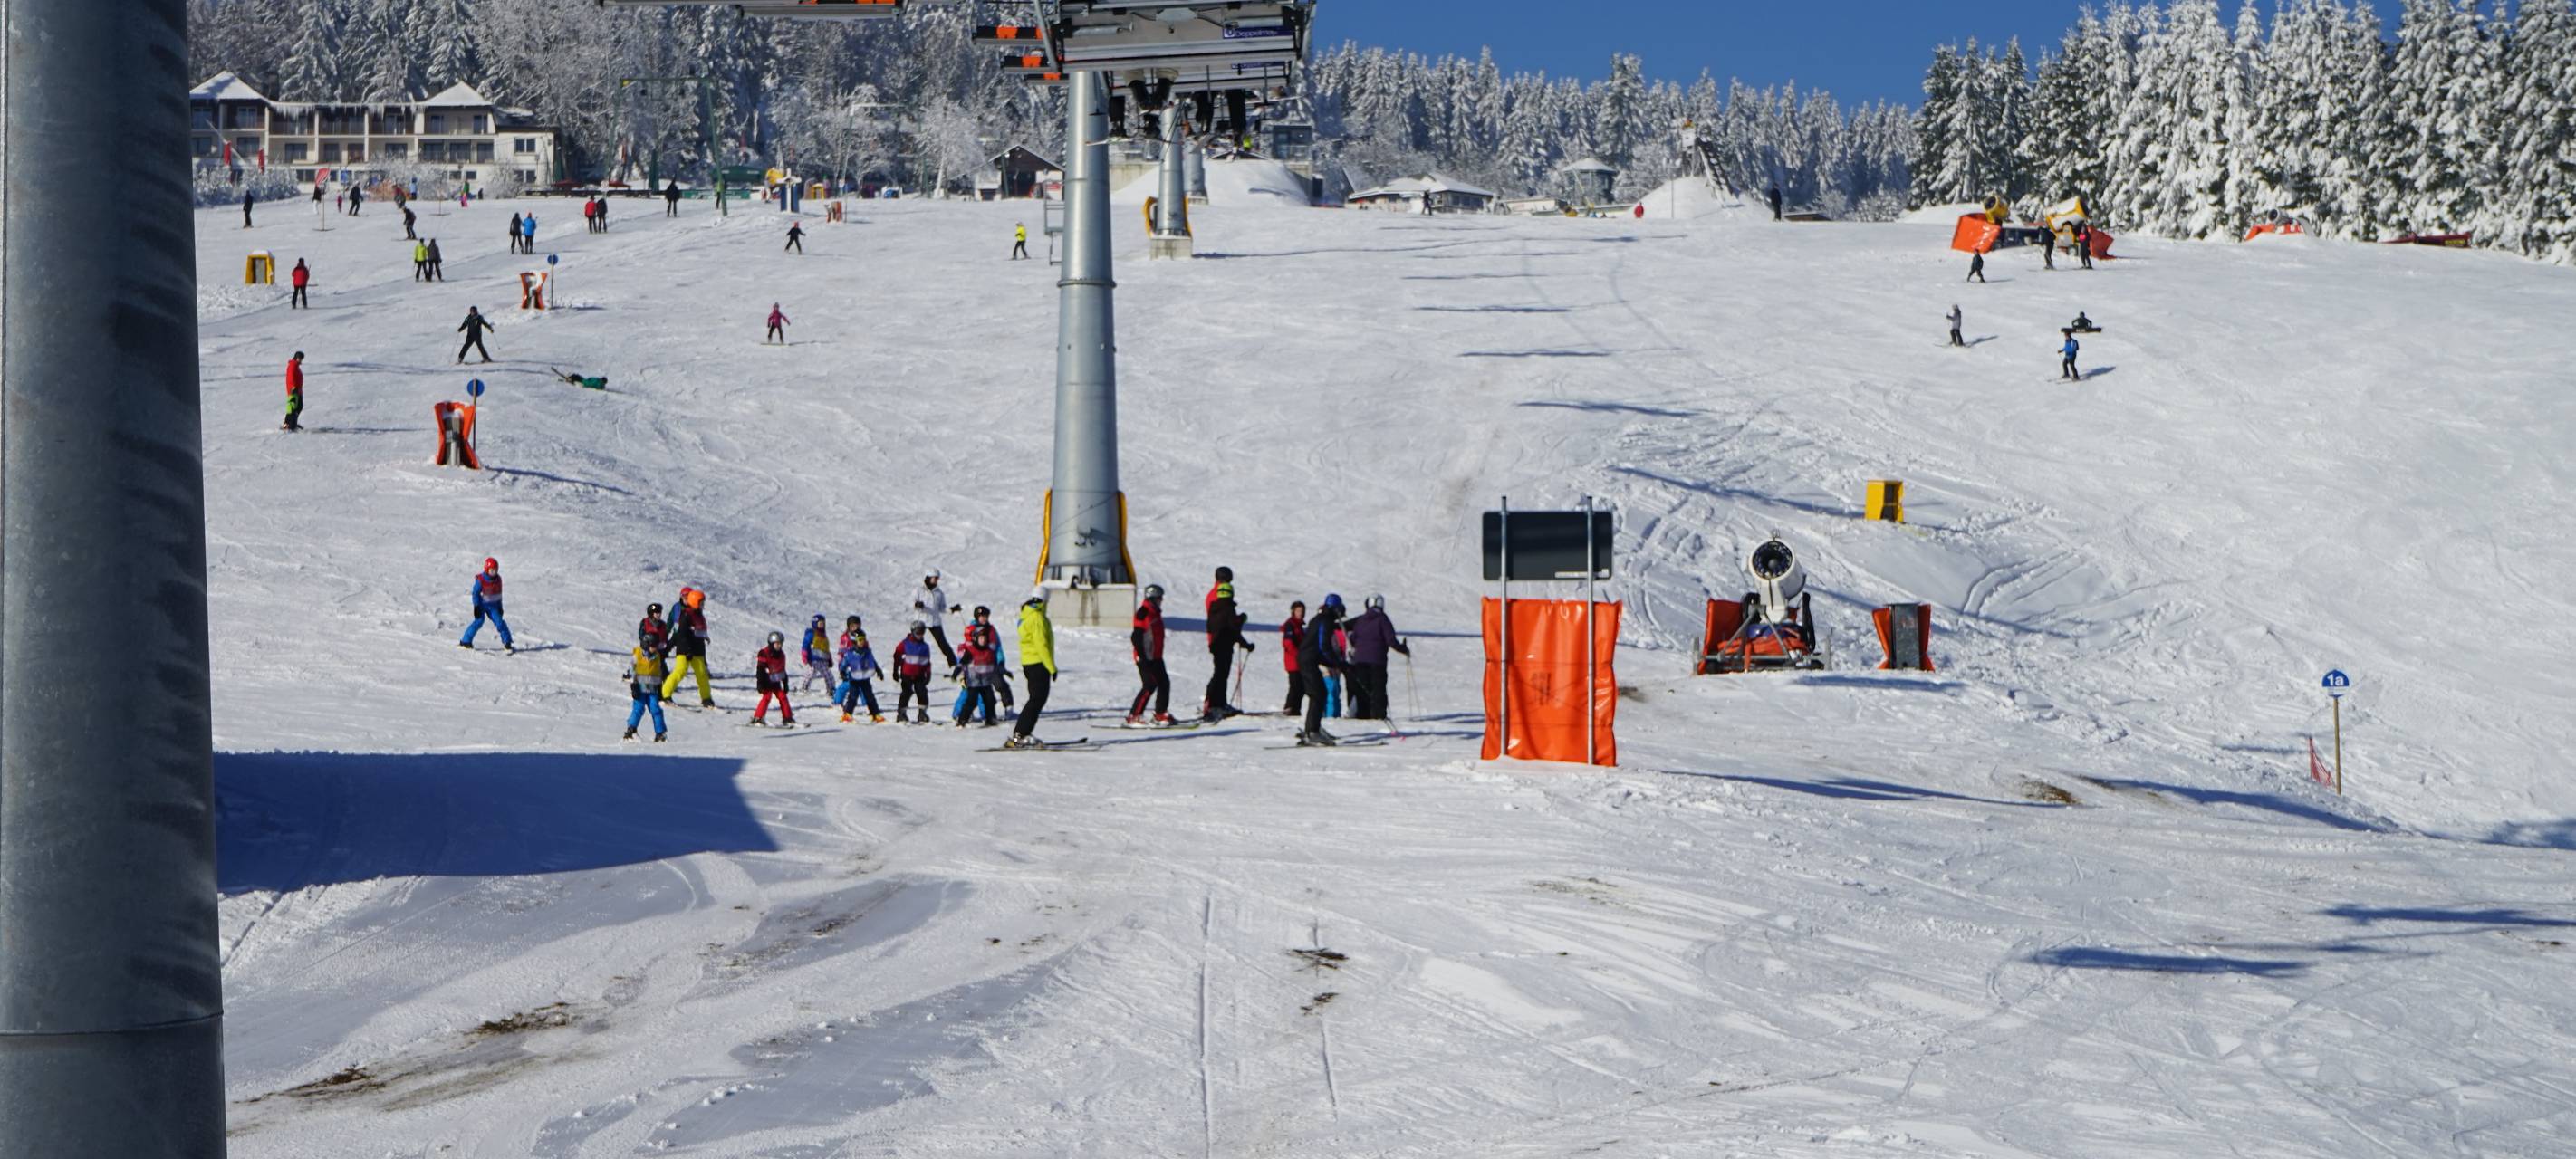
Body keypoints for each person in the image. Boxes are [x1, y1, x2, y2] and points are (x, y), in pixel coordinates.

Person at [1343, 595, 1411, 720]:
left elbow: (1353, 638)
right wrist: (1403, 649)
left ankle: (1363, 714)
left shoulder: (1361, 620)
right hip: (1377, 661)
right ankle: (1378, 714)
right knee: (1378, 688)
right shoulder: (1382, 619)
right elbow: (1391, 640)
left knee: (1363, 688)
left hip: (1360, 661)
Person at [1296, 594, 1350, 745]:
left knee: (1319, 692)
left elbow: (1317, 648)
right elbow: (1323, 647)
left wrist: (1334, 664)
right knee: (1318, 693)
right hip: (1308, 660)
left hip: (1308, 659)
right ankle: (1312, 731)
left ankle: (1313, 729)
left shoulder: (1319, 619)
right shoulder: (1325, 621)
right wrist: (1338, 663)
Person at [1202, 567, 1253, 721]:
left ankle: (1219, 703)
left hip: (1218, 638)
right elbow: (1226, 620)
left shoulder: (1216, 593)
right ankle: (1213, 703)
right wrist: (1237, 621)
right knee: (1220, 673)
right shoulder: (1218, 595)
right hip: (1220, 638)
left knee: (1221, 673)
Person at [1008, 589, 1056, 748]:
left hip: (1029, 662)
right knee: (1037, 699)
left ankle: (1022, 732)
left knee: (1035, 699)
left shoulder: (1028, 614)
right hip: (1038, 663)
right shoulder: (1037, 617)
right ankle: (1021, 733)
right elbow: (1041, 644)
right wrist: (1051, 667)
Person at [1126, 583, 1174, 725]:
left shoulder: (1155, 613)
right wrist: (1142, 656)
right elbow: (1136, 637)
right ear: (1152, 599)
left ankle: (1160, 713)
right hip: (1145, 657)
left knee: (1164, 683)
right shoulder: (1143, 613)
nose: (1161, 601)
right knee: (1150, 685)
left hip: (1156, 656)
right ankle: (1134, 716)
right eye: (1159, 598)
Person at [662, 588, 716, 707]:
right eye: (701, 603)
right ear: (695, 602)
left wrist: (705, 637)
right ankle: (665, 694)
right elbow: (682, 634)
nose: (703, 605)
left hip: (698, 650)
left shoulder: (699, 615)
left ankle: (706, 698)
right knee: (680, 671)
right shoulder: (686, 615)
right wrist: (687, 650)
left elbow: (699, 630)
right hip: (685, 650)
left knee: (702, 674)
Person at [960, 602, 1015, 713]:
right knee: (971, 692)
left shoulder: (991, 631)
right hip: (975, 667)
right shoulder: (971, 630)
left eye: (986, 616)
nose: (984, 619)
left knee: (1001, 685)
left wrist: (1000, 661)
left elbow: (997, 647)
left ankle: (1008, 707)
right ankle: (963, 713)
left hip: (991, 664)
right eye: (982, 617)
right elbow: (966, 649)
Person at [952, 617, 1003, 727]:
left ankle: (990, 718)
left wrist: (1000, 671)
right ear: (975, 639)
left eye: (985, 638)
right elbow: (962, 663)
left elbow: (993, 665)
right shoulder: (970, 651)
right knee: (971, 701)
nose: (983, 641)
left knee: (990, 700)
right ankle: (962, 720)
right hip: (973, 682)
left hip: (985, 682)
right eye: (981, 638)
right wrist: (957, 673)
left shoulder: (989, 651)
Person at [458, 557, 514, 652]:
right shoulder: (481, 580)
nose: (494, 573)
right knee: (479, 621)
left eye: (496, 570)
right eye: (492, 570)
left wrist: (500, 607)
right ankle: (465, 642)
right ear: (487, 570)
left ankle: (507, 642)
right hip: (482, 604)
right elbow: (475, 593)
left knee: (500, 622)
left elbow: (498, 594)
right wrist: (476, 606)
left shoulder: (498, 579)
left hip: (493, 606)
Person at [837, 624, 884, 723]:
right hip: (854, 679)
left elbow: (873, 662)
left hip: (865, 678)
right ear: (854, 641)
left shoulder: (867, 653)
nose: (862, 642)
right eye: (860, 640)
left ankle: (875, 714)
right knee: (853, 697)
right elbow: (844, 663)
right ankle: (847, 714)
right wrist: (842, 672)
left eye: (864, 639)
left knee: (869, 696)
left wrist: (878, 670)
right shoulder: (850, 654)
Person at [624, 642, 669, 742]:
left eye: (656, 646)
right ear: (647, 645)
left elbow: (658, 673)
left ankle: (660, 733)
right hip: (640, 689)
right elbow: (631, 670)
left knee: (656, 709)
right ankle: (631, 730)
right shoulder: (638, 655)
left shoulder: (657, 656)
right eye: (653, 646)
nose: (655, 648)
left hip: (652, 690)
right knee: (638, 708)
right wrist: (634, 684)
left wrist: (660, 688)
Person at [892, 621, 937, 723]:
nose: (920, 635)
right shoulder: (905, 644)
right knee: (906, 693)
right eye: (918, 633)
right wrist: (895, 670)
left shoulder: (925, 647)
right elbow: (897, 655)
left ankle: (922, 713)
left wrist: (928, 673)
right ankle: (901, 713)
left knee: (922, 693)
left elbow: (927, 662)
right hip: (907, 674)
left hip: (919, 674)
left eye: (922, 633)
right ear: (913, 632)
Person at [914, 570, 960, 666]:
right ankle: (911, 663)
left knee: (943, 643)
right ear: (928, 578)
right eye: (934, 578)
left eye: (937, 579)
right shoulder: (919, 590)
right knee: (915, 643)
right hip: (920, 621)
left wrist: (952, 609)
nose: (936, 581)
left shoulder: (939, 593)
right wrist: (917, 604)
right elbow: (911, 602)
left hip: (934, 622)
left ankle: (953, 664)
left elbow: (942, 608)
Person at [751, 631, 797, 727]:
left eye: (781, 643)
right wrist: (760, 683)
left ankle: (787, 717)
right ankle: (758, 717)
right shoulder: (764, 653)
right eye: (777, 644)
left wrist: (785, 683)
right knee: (767, 697)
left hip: (775, 682)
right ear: (772, 643)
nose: (779, 646)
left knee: (783, 697)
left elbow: (782, 670)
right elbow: (760, 670)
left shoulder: (781, 655)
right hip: (766, 682)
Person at [1279, 601, 1308, 716]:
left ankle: (1295, 710)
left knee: (1300, 687)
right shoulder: (1290, 625)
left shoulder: (1298, 626)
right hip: (1293, 662)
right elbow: (1288, 643)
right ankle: (1290, 708)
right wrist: (1299, 655)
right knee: (1296, 687)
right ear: (1293, 612)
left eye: (1302, 611)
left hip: (1298, 662)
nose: (1301, 613)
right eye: (1298, 611)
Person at [800, 614, 836, 691]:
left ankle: (831, 688)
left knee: (828, 674)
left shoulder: (824, 636)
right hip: (814, 660)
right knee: (811, 674)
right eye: (820, 624)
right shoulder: (811, 634)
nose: (822, 625)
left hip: (823, 660)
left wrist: (829, 659)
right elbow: (805, 644)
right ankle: (804, 687)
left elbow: (826, 649)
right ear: (815, 624)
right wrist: (804, 654)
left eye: (823, 624)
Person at [283, 351, 306, 432]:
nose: (301, 361)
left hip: (298, 391)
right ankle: (291, 425)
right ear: (297, 357)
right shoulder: (292, 366)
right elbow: (291, 377)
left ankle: (290, 424)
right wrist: (293, 388)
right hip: (294, 391)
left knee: (297, 407)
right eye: (301, 359)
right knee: (293, 408)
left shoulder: (295, 365)